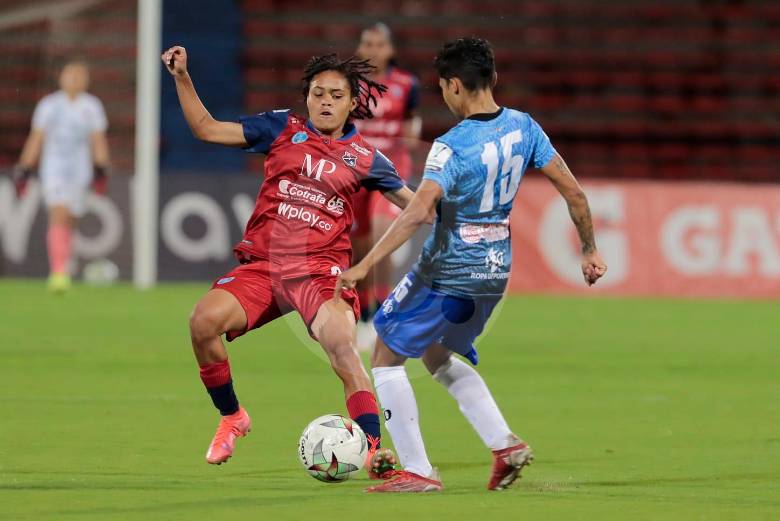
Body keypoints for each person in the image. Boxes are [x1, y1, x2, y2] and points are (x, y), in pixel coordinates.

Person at [335, 37, 608, 492]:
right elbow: (574, 192)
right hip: (496, 271)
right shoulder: (525, 127)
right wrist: (589, 250)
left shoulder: (450, 146)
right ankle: (504, 444)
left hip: (448, 270)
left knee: (384, 352)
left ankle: (418, 472)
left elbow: (420, 210)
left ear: (455, 86)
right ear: (494, 78)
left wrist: (364, 266)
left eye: (445, 87)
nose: (444, 95)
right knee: (436, 354)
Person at [161, 46, 413, 475]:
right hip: (264, 266)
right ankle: (233, 417)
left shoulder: (367, 158)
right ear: (307, 97)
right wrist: (182, 75)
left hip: (320, 274)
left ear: (353, 102)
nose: (326, 102)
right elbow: (206, 129)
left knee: (342, 348)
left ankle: (372, 450)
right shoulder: (281, 128)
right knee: (202, 322)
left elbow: (415, 206)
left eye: (336, 95)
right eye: (318, 94)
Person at [351, 22, 422, 349]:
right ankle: (362, 313)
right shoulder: (348, 82)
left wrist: (411, 134)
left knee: (382, 230)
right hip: (354, 167)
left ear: (390, 49)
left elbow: (412, 120)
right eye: (368, 44)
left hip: (390, 167)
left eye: (379, 44)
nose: (373, 50)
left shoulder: (407, 84)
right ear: (360, 48)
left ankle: (383, 312)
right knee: (358, 243)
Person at [14, 60, 111, 293]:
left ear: (86, 80)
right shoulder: (49, 105)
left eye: (79, 76)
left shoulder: (92, 106)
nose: (75, 79)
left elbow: (98, 139)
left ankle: (63, 265)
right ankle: (58, 272)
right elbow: (36, 138)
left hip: (80, 170)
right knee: (58, 213)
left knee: (71, 218)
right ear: (62, 78)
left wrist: (101, 169)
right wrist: (24, 168)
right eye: (71, 75)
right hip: (54, 169)